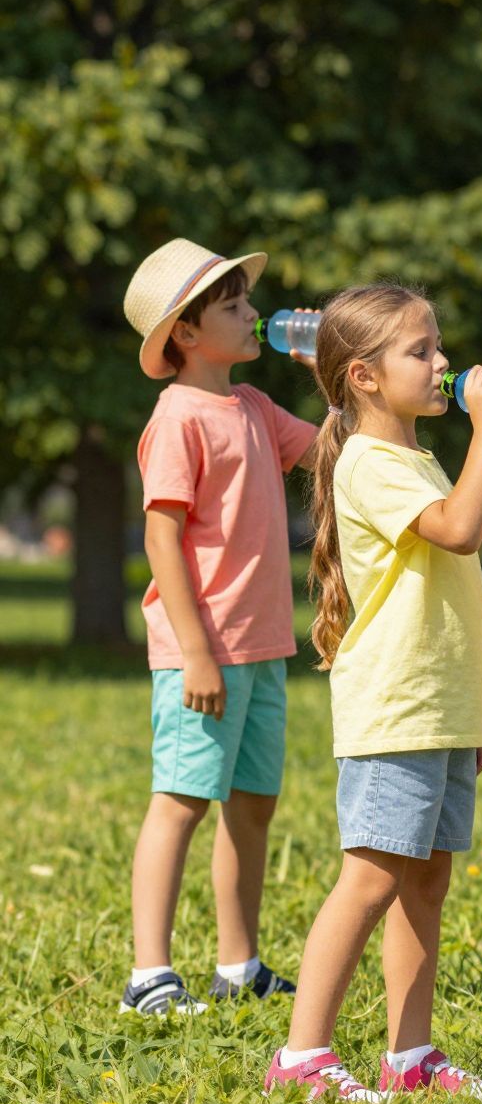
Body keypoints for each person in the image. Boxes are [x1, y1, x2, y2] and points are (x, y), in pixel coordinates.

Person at [264, 284, 482, 1102]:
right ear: (365, 377)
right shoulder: (372, 462)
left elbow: (447, 594)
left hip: (436, 709)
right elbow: (460, 531)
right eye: (423, 351)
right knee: (371, 876)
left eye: (439, 346)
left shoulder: (411, 455)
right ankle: (302, 1058)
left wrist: (467, 716)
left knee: (426, 879)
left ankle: (411, 1058)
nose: (444, 364)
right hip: (395, 708)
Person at [120, 240, 320, 1014]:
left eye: (246, 301)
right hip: (201, 652)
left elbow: (333, 451)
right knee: (181, 799)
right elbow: (160, 536)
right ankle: (150, 975)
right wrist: (197, 652)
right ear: (187, 335)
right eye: (233, 306)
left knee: (252, 804)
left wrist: (327, 372)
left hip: (264, 645)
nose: (253, 315)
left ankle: (239, 964)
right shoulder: (177, 418)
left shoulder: (255, 408)